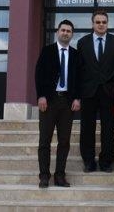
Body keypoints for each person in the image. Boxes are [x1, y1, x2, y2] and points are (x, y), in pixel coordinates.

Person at [34, 19, 82, 189]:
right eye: (63, 30)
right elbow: (39, 75)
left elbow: (80, 79)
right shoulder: (47, 51)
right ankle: (44, 176)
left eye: (68, 31)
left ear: (72, 35)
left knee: (64, 141)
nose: (65, 33)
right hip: (49, 101)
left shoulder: (76, 54)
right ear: (57, 32)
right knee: (44, 141)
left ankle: (60, 175)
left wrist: (77, 98)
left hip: (67, 103)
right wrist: (41, 96)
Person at [77, 9, 114, 173]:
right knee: (87, 128)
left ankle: (106, 161)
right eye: (98, 22)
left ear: (107, 23)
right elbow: (79, 68)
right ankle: (88, 161)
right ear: (92, 24)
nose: (101, 24)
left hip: (108, 91)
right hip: (88, 92)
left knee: (108, 127)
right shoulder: (82, 42)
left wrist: (108, 77)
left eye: (104, 22)